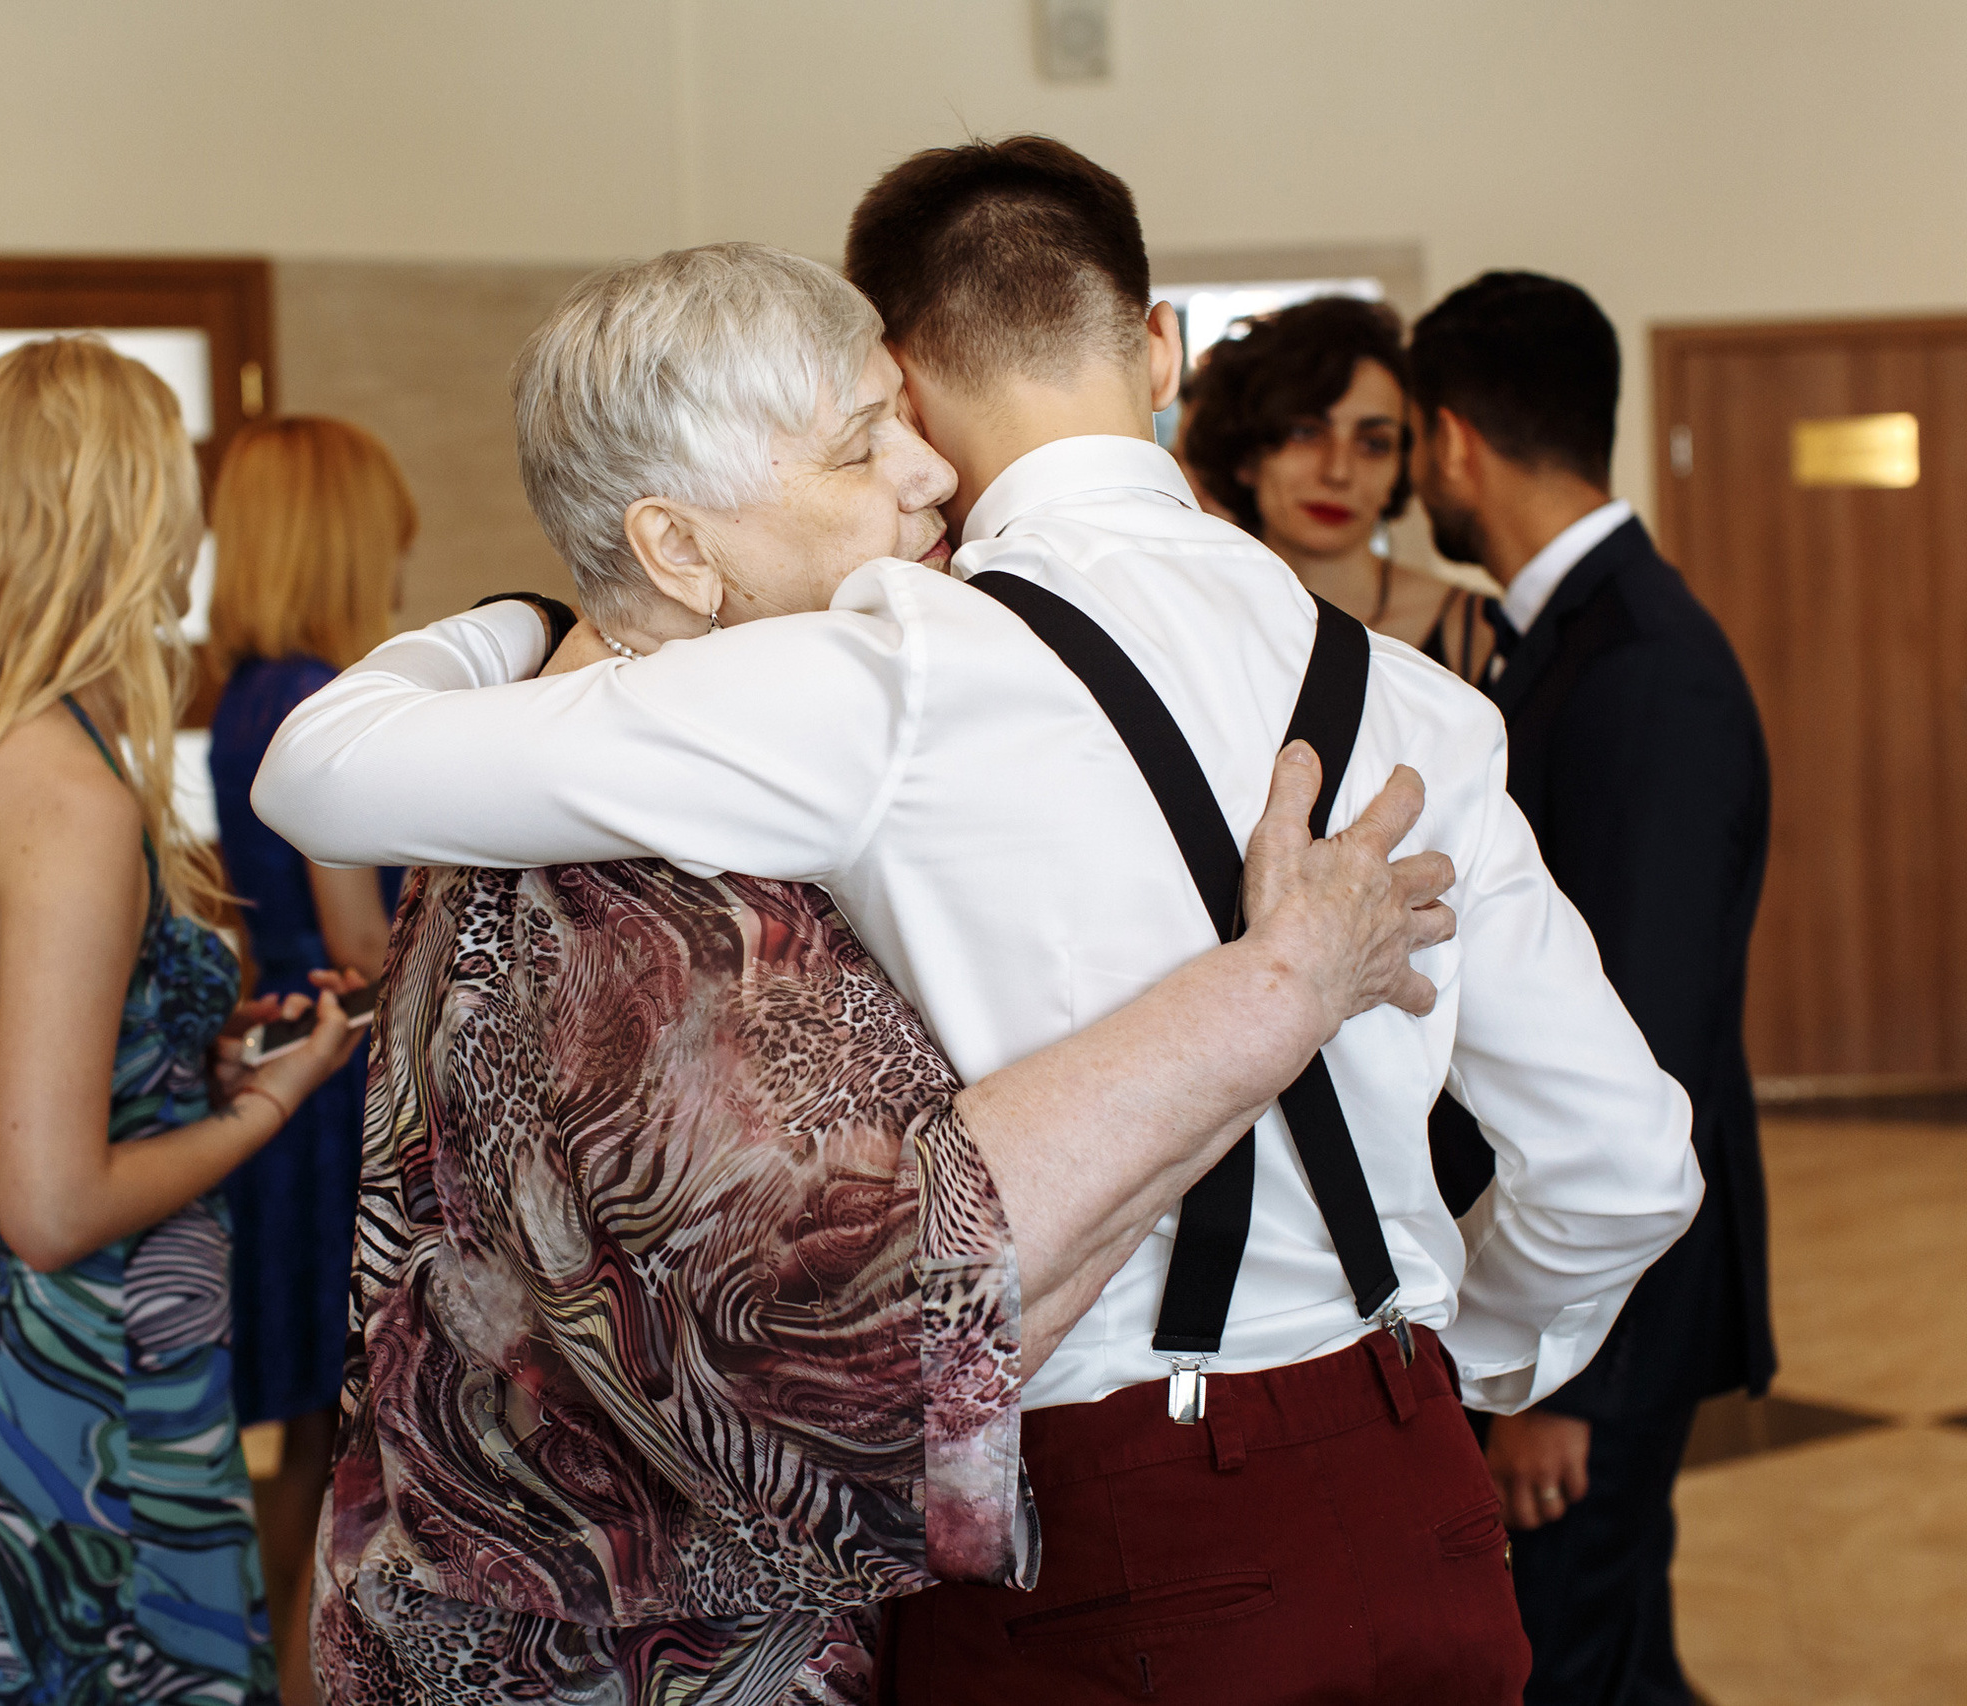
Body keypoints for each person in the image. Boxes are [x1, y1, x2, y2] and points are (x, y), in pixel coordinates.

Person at [256, 153, 1702, 1703]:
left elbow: (333, 774)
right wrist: (1443, 1354)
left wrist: (521, 622)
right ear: (1157, 349)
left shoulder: (894, 667)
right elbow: (1627, 1158)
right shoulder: (1417, 698)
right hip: (1419, 1501)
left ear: (911, 382)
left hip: (1101, 1529)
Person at [0, 336, 363, 1706]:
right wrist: (269, 1100)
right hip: (104, 1362)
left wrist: (177, 1060)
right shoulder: (69, 805)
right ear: (117, 521)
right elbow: (57, 1200)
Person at [1409, 270, 1774, 1706]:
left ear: (1452, 443)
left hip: (1611, 1303)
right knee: (1613, 1651)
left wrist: (1562, 1385)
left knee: (1571, 1662)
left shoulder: (1642, 669)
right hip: (1589, 1280)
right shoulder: (1573, 636)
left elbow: (1650, 1041)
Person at [202, 415, 415, 1702]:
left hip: (285, 1060)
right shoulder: (318, 701)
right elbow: (363, 935)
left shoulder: (242, 693)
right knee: (338, 1436)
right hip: (336, 1078)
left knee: (295, 1430)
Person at [1183, 295, 1498, 678]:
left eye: (1373, 443)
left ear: (1403, 463)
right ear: (1247, 456)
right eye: (1305, 433)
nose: (1338, 472)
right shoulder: (1188, 623)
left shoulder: (1477, 633)